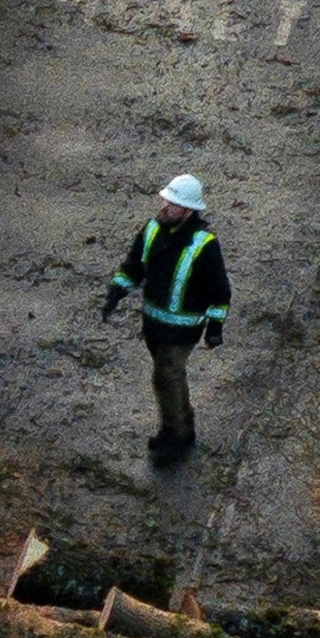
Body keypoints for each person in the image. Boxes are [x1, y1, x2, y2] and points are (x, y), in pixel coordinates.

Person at [101, 174, 229, 466]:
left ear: (187, 211)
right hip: (154, 326)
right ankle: (182, 426)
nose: (165, 207)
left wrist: (215, 328)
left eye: (172, 204)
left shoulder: (204, 245)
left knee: (165, 378)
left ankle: (176, 437)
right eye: (166, 201)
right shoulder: (152, 230)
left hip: (182, 331)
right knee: (171, 378)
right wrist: (116, 292)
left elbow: (220, 290)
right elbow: (134, 266)